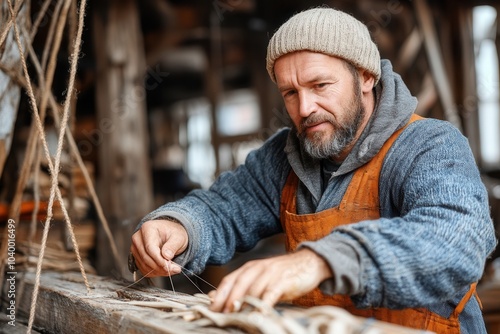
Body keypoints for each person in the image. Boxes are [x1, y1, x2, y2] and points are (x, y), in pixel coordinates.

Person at [130, 7, 497, 333]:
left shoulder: (429, 145)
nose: (305, 108)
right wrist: (179, 225)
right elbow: (222, 209)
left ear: (366, 77)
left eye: (320, 85)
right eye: (290, 92)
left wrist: (321, 260)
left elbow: (455, 240)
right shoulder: (284, 156)